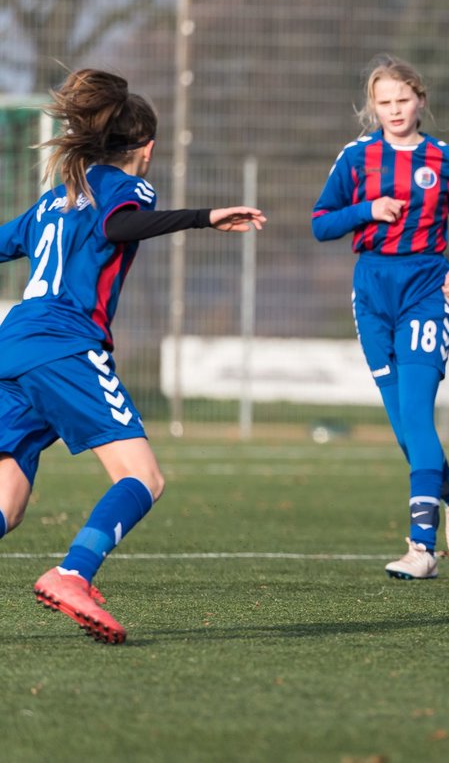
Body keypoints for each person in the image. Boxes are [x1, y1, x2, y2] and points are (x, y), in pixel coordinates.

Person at [0, 69, 266, 644]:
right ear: (146, 148)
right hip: (66, 345)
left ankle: (72, 573)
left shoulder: (54, 199)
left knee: (7, 502)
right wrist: (204, 216)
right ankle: (72, 574)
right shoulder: (124, 185)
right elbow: (122, 224)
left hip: (13, 346)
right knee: (142, 477)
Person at [312, 55, 449, 581]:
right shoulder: (357, 158)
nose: (394, 110)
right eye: (384, 102)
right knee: (405, 430)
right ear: (373, 106)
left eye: (403, 100)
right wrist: (367, 209)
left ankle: (421, 548)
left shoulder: (447, 159)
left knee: (417, 413)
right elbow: (321, 223)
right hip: (372, 293)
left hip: (425, 291)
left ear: (421, 101)